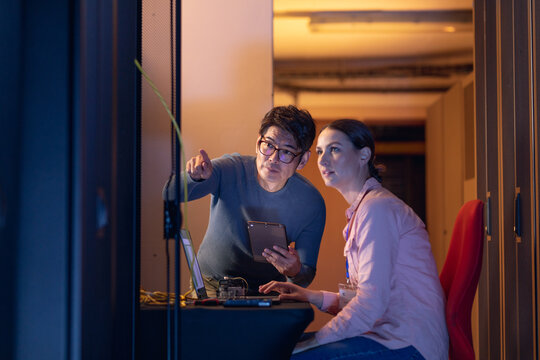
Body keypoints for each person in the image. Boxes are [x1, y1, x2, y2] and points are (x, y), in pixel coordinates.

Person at [260, 119, 448, 359]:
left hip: (407, 346)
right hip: (384, 336)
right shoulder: (364, 210)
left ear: (364, 155)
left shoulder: (378, 209)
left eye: (334, 149)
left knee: (292, 354)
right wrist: (311, 296)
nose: (323, 160)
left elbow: (370, 304)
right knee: (279, 347)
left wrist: (315, 342)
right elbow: (364, 298)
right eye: (319, 151)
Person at [165, 105, 326, 296]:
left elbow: (306, 276)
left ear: (303, 160)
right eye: (268, 145)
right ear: (258, 142)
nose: (273, 158)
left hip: (267, 293)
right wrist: (195, 178)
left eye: (287, 152)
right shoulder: (231, 168)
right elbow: (169, 193)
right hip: (210, 286)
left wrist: (295, 271)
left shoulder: (311, 203)